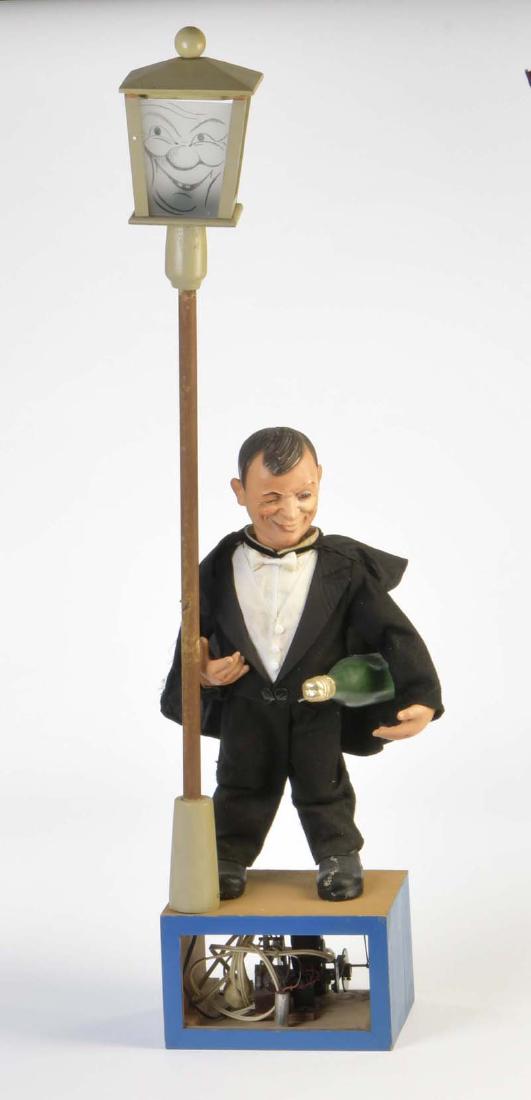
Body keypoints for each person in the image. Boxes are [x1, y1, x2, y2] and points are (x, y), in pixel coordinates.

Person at [161, 427, 443, 901]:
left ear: (320, 481)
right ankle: (226, 855)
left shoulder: (343, 567)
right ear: (239, 492)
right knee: (239, 783)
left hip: (317, 705)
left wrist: (421, 695)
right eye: (271, 498)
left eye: (304, 495)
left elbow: (393, 632)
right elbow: (194, 636)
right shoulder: (218, 565)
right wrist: (203, 675)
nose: (290, 512)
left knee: (324, 784)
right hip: (248, 705)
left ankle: (338, 854)